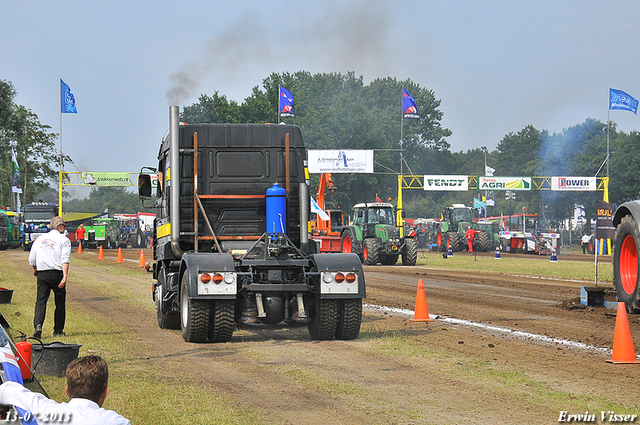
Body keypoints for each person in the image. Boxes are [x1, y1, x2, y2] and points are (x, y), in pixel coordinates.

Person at [0, 355, 130, 424]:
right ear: (105, 393)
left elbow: (7, 390)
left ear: (67, 390)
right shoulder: (117, 421)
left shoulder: (46, 411)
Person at [28, 216, 71, 338]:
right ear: (59, 226)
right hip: (57, 273)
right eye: (64, 226)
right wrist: (65, 275)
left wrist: (35, 269)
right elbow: (65, 258)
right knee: (60, 303)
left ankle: (38, 325)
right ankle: (57, 330)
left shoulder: (40, 239)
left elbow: (32, 258)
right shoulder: (64, 240)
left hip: (43, 274)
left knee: (41, 301)